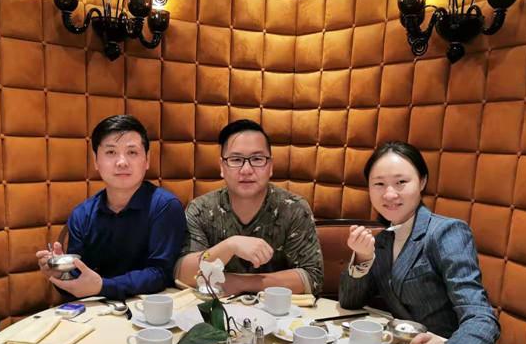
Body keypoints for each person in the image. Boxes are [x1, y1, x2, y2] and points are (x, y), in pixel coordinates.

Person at [339, 141, 510, 344]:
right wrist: (363, 258)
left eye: (401, 182)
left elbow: (481, 316)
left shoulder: (445, 232)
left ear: (422, 182)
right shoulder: (383, 239)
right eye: (379, 184)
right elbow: (349, 302)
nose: (389, 194)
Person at [36, 115, 186, 300]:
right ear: (95, 160)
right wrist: (61, 273)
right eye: (111, 152)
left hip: (151, 307)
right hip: (97, 309)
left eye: (132, 152)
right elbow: (79, 282)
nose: (122, 162)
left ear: (147, 159)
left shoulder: (165, 206)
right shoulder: (82, 215)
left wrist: (103, 286)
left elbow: (162, 273)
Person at [175, 119, 324, 296]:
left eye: (257, 159)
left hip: (278, 311)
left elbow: (312, 278)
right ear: (222, 167)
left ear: (270, 166)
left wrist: (239, 283)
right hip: (218, 310)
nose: (246, 169)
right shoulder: (201, 209)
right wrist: (230, 246)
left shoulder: (294, 209)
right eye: (236, 159)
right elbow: (183, 274)